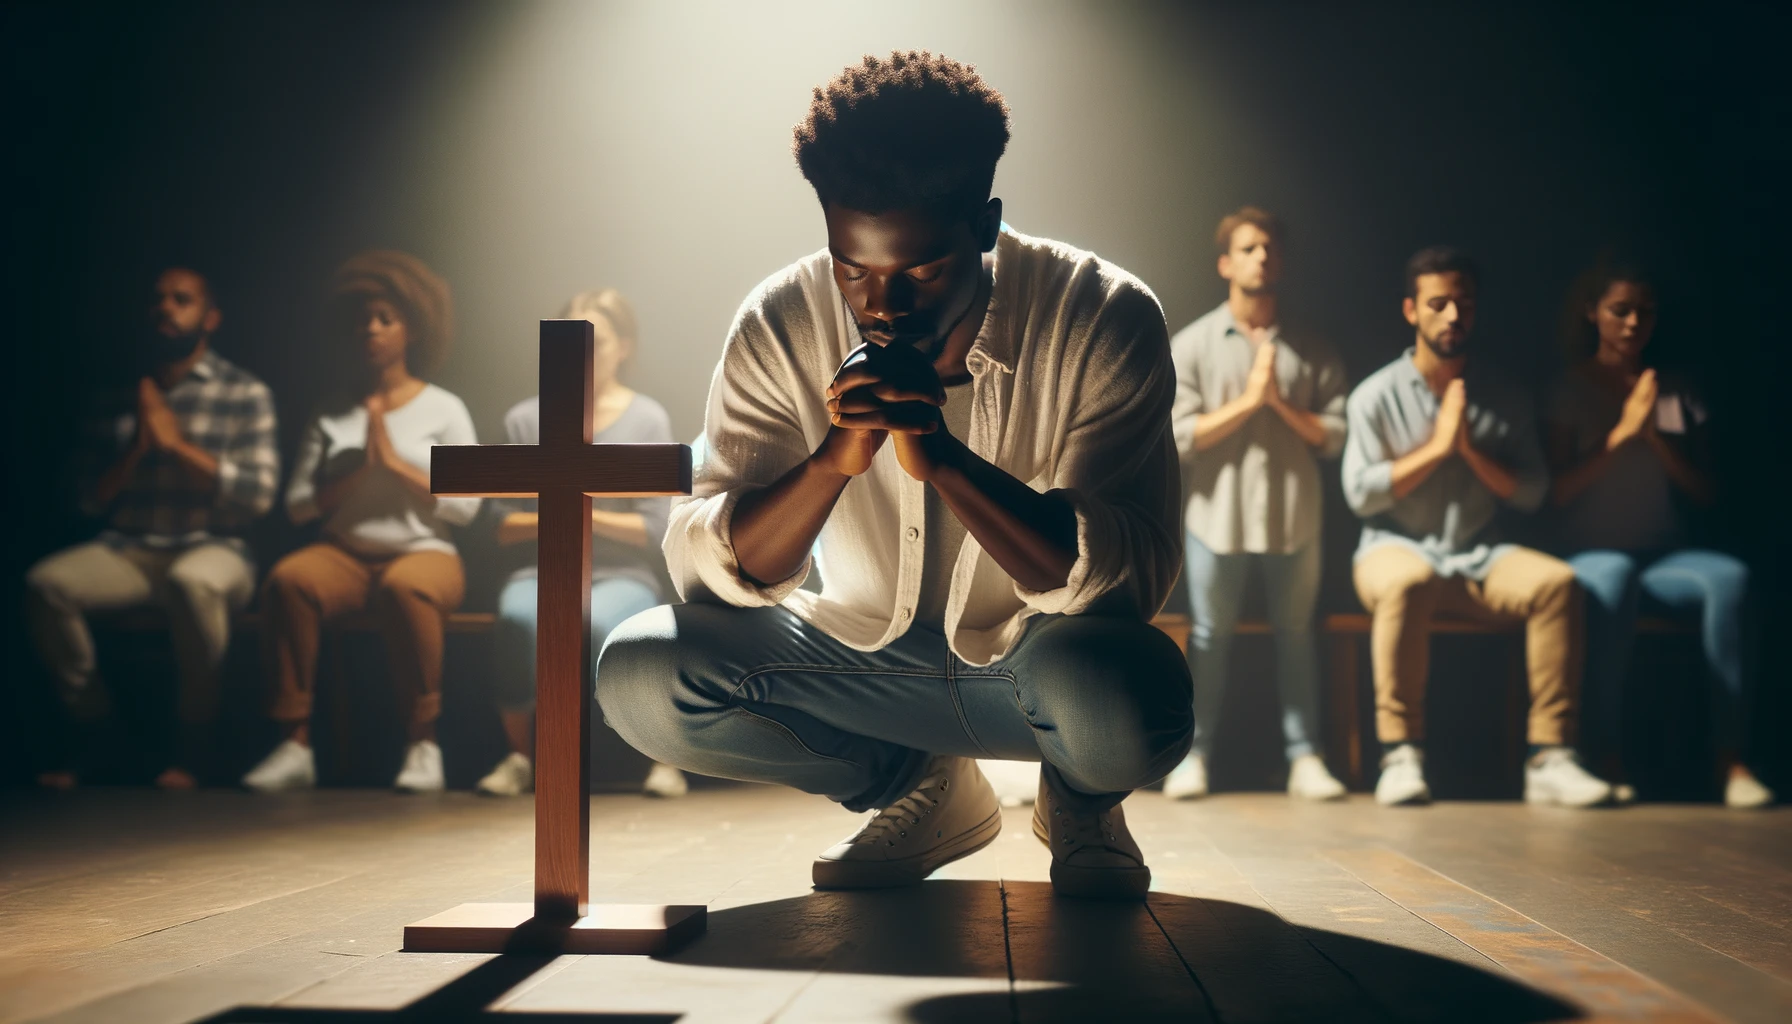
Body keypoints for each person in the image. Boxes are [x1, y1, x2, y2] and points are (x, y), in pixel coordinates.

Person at [595, 52, 1191, 901]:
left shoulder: (1104, 311)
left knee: (1125, 703)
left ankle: (1081, 800)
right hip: (857, 657)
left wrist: (940, 457)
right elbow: (702, 563)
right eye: (854, 268)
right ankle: (917, 783)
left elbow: (1120, 578)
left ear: (985, 226)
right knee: (641, 674)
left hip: (1039, 662)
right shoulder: (779, 317)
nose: (882, 306)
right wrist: (835, 461)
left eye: (922, 271)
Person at [1341, 246, 1613, 808]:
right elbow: (1360, 494)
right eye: (1437, 304)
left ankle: (1550, 757)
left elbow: (1536, 491)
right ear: (1411, 311)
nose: (1452, 316)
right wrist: (1438, 448)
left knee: (1557, 585)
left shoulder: (1504, 395)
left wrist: (1467, 448)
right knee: (1408, 580)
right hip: (1394, 548)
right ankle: (1401, 754)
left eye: (1463, 303)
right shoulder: (1375, 394)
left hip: (1476, 556)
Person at [26, 267, 278, 789]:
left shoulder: (242, 391)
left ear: (210, 318)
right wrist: (139, 447)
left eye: (181, 300)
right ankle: (97, 733)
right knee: (45, 585)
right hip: (129, 548)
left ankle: (197, 744)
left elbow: (260, 497)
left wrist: (176, 447)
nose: (165, 309)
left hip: (214, 545)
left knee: (194, 582)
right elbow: (83, 500)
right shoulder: (119, 393)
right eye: (157, 300)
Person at [241, 251, 479, 793]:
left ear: (411, 328)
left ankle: (424, 744)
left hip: (424, 552)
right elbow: (298, 505)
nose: (371, 329)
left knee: (407, 588)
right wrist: (357, 471)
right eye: (362, 319)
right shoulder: (332, 410)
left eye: (385, 318)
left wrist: (395, 465)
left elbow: (467, 507)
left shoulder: (444, 408)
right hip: (344, 554)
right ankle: (293, 744)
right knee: (289, 581)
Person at [1544, 264, 1770, 808]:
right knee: (1614, 578)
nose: (1633, 322)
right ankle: (1606, 754)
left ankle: (1731, 762)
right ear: (1592, 312)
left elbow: (1705, 491)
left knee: (1730, 580)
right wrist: (1622, 435)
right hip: (1594, 554)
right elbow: (1557, 493)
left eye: (1645, 310)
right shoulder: (1569, 389)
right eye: (1620, 309)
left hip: (1667, 557)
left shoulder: (1677, 391)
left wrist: (1656, 439)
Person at [1162, 207, 1349, 802]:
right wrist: (1250, 402)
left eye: (1269, 247)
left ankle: (1305, 756)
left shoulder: (1312, 347)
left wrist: (1280, 404)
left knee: (1297, 635)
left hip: (1294, 517)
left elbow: (1337, 435)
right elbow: (1178, 435)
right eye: (1247, 248)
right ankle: (1195, 756)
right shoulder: (1192, 343)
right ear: (1225, 263)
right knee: (1211, 637)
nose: (1260, 256)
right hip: (1216, 520)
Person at [475, 288, 689, 800]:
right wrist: (567, 511)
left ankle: (659, 755)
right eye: (575, 337)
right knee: (520, 618)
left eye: (600, 338)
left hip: (622, 574)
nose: (588, 350)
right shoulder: (527, 419)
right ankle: (520, 757)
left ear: (624, 347)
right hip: (545, 568)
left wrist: (579, 507)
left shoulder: (647, 419)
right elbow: (504, 526)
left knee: (612, 628)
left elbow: (655, 527)